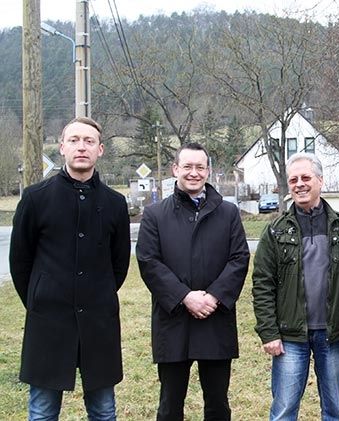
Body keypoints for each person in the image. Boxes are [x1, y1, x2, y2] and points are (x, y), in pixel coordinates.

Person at [10, 117, 131, 420]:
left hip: (99, 321)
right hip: (48, 320)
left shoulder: (115, 203)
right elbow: (20, 261)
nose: (81, 147)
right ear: (61, 147)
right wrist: (41, 297)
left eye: (89, 141)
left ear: (100, 149)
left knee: (104, 410)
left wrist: (96, 295)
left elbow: (119, 263)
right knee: (42, 411)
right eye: (74, 140)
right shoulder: (35, 198)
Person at [136, 142, 249, 421]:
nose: (194, 173)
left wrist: (213, 297)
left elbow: (239, 259)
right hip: (173, 322)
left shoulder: (228, 213)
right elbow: (149, 262)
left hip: (215, 320)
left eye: (200, 167)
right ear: (176, 169)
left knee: (218, 405)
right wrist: (185, 297)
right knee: (170, 405)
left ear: (208, 171)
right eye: (187, 166)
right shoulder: (155, 215)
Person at [252, 152, 339, 421]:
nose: (299, 184)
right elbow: (262, 284)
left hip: (334, 334)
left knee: (336, 410)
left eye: (306, 177)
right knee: (283, 410)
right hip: (290, 335)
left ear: (320, 181)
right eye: (294, 179)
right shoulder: (275, 231)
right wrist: (269, 332)